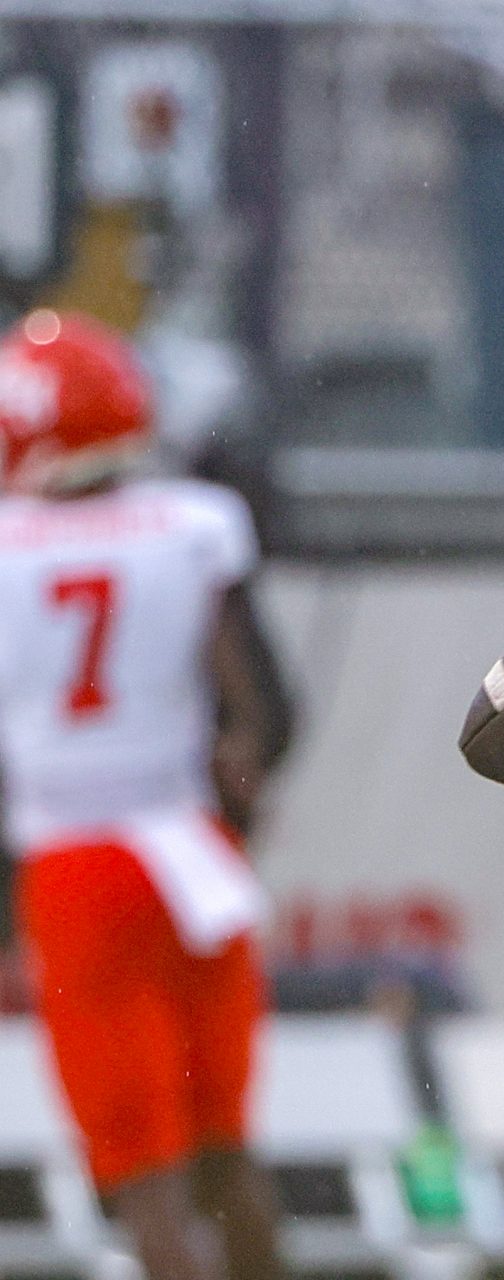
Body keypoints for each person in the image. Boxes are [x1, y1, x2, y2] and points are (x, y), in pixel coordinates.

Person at [0, 309, 295, 1280]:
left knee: (147, 1182)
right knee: (226, 1153)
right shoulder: (193, 522)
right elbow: (259, 712)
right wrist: (238, 808)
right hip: (191, 854)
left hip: (76, 861)